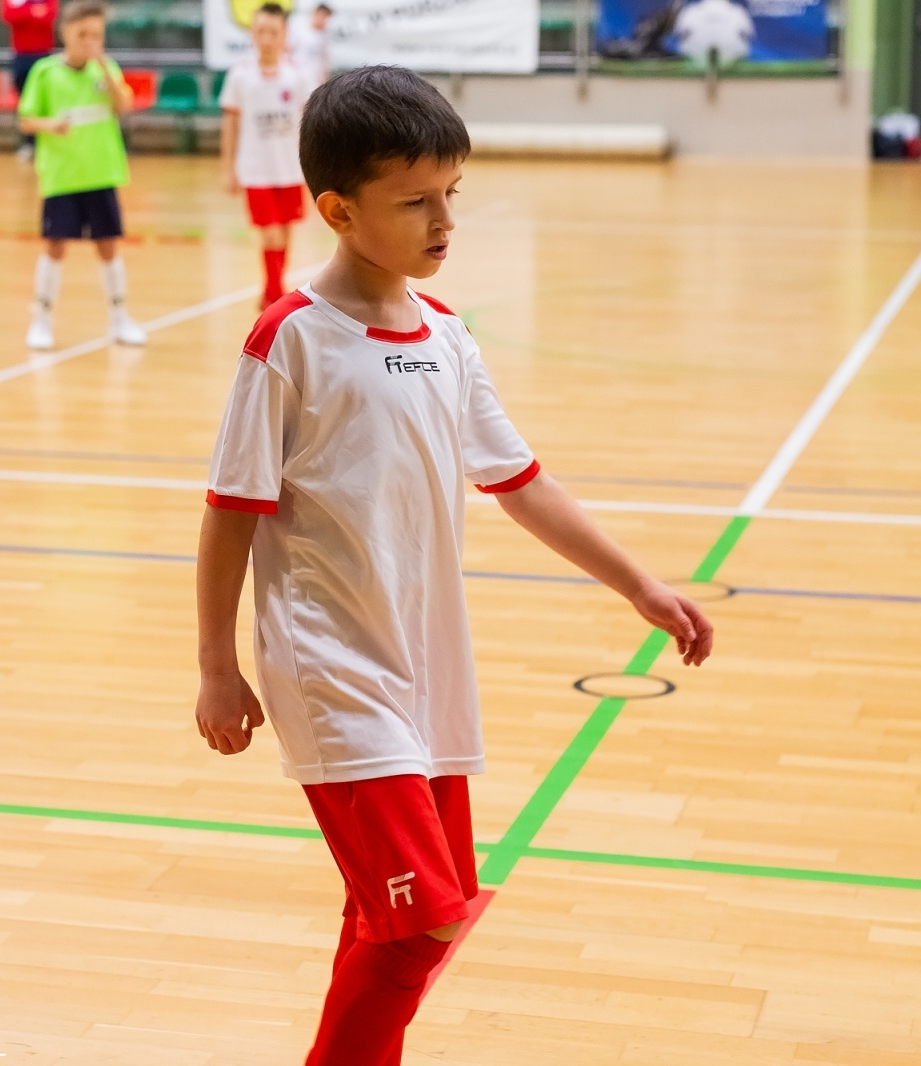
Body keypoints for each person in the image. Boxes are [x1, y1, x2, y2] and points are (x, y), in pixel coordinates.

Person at [194, 66, 714, 1066]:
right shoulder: (289, 342)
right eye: (416, 201)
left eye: (452, 196)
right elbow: (228, 515)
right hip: (332, 671)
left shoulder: (446, 338)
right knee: (423, 921)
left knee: (399, 920)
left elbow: (520, 482)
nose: (444, 222)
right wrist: (219, 665)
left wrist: (639, 583)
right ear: (340, 211)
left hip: (429, 672)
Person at [16, 0, 146, 350]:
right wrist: (50, 125)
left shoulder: (106, 70)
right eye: (82, 34)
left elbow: (125, 106)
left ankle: (120, 319)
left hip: (101, 173)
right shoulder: (44, 72)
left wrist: (103, 65)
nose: (89, 41)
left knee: (108, 246)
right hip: (61, 176)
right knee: (55, 246)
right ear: (65, 33)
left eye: (96, 35)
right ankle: (41, 320)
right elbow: (25, 118)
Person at [220, 2, 314, 309]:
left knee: (285, 233)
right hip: (255, 169)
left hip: (289, 168)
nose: (266, 38)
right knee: (271, 235)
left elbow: (311, 123)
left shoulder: (299, 75)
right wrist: (228, 168)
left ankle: (274, 290)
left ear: (284, 35)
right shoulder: (240, 74)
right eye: (260, 31)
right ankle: (273, 293)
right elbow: (231, 123)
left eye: (273, 32)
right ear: (252, 34)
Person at [0, 0, 56, 161]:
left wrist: (24, 13)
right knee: (25, 102)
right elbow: (8, 15)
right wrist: (33, 11)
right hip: (21, 56)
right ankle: (29, 143)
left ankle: (45, 142)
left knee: (46, 101)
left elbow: (49, 16)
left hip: (43, 55)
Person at [288, 2, 332, 87]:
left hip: (314, 78)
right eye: (322, 15)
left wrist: (324, 77)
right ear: (315, 13)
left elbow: (325, 59)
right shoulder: (299, 28)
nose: (323, 19)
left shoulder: (324, 36)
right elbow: (289, 49)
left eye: (326, 17)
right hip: (297, 73)